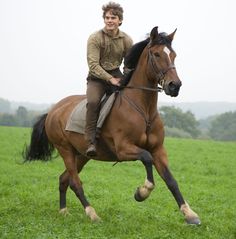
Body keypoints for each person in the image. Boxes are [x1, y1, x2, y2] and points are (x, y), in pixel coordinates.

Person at [85, 1, 133, 157]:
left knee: (131, 98)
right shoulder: (95, 38)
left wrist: (127, 76)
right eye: (107, 17)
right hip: (96, 78)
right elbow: (93, 65)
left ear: (120, 20)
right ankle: (91, 141)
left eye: (113, 17)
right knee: (93, 102)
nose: (110, 20)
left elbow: (129, 63)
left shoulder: (126, 39)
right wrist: (110, 79)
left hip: (116, 73)